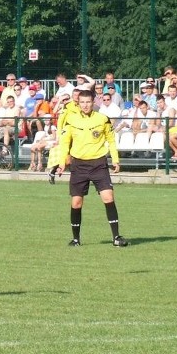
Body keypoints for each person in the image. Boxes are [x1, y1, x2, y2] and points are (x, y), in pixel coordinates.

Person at [56, 89, 128, 248]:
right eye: (82, 102)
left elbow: (111, 140)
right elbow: (64, 143)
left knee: (108, 197)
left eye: (88, 102)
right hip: (78, 165)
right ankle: (76, 239)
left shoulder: (103, 119)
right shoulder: (71, 120)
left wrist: (115, 159)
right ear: (78, 103)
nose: (85, 105)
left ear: (94, 102)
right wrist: (62, 163)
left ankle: (116, 237)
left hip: (98, 164)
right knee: (76, 203)